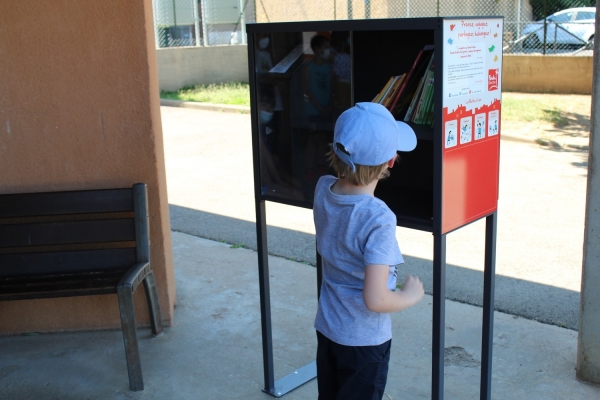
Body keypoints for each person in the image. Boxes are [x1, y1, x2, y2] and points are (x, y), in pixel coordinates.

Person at [313, 102, 425, 400]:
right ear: (391, 160)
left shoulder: (323, 189)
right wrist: (408, 296)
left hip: (328, 328)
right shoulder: (378, 217)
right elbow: (375, 299)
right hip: (364, 343)